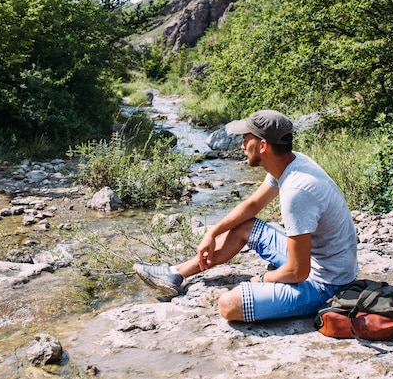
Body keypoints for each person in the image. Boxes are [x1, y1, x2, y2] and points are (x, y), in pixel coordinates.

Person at [134, 110, 358, 322]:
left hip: (325, 283)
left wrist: (263, 279)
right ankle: (175, 274)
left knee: (229, 305)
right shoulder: (290, 162)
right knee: (244, 226)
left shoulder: (297, 191)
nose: (242, 145)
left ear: (262, 145)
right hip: (315, 261)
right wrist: (212, 233)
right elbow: (252, 205)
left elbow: (298, 271)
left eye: (246, 139)